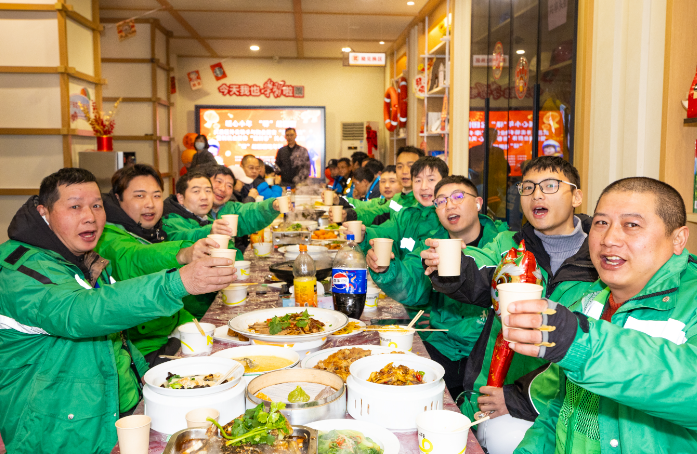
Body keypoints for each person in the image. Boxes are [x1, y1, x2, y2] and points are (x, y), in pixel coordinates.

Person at [0, 168, 235, 454]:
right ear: (44, 213)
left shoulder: (79, 257)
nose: (90, 216)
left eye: (96, 205)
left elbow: (116, 338)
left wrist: (147, 383)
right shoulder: (19, 269)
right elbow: (81, 312)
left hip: (113, 411)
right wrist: (178, 282)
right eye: (75, 207)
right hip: (58, 432)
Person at [508, 177, 697, 454]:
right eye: (601, 223)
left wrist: (582, 345)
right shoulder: (589, 302)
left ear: (678, 239)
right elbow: (559, 409)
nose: (609, 239)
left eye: (631, 225)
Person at [421, 156, 598, 452]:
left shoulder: (600, 258)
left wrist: (521, 398)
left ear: (577, 196)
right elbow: (478, 269)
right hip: (499, 393)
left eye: (550, 186)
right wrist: (448, 265)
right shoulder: (509, 246)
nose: (536, 195)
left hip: (574, 405)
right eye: (528, 187)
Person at [366, 175, 507, 399]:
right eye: (440, 201)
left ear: (478, 203)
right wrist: (386, 270)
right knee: (394, 382)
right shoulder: (432, 246)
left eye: (458, 197)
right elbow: (412, 282)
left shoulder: (502, 245)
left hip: (489, 350)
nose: (449, 205)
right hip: (444, 344)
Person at [96, 164, 213, 366]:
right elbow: (134, 259)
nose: (150, 204)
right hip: (138, 352)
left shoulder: (154, 231)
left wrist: (192, 325)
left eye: (156, 196)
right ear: (118, 198)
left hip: (166, 334)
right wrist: (182, 253)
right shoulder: (107, 235)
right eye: (140, 196)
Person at [360, 156, 449, 261]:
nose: (424, 187)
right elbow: (384, 232)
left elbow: (417, 265)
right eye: (418, 180)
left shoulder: (448, 218)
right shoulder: (406, 215)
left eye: (431, 179)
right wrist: (364, 235)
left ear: (444, 182)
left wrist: (390, 268)